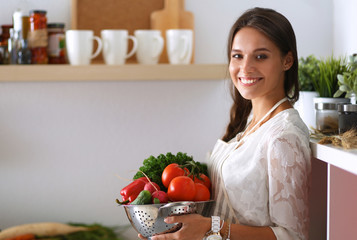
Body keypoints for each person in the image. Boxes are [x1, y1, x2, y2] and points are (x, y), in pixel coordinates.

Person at [139, 7, 311, 240]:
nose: (246, 67)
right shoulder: (252, 121)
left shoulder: (283, 136)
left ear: (287, 60)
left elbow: (293, 236)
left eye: (261, 56)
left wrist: (212, 227)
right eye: (237, 55)